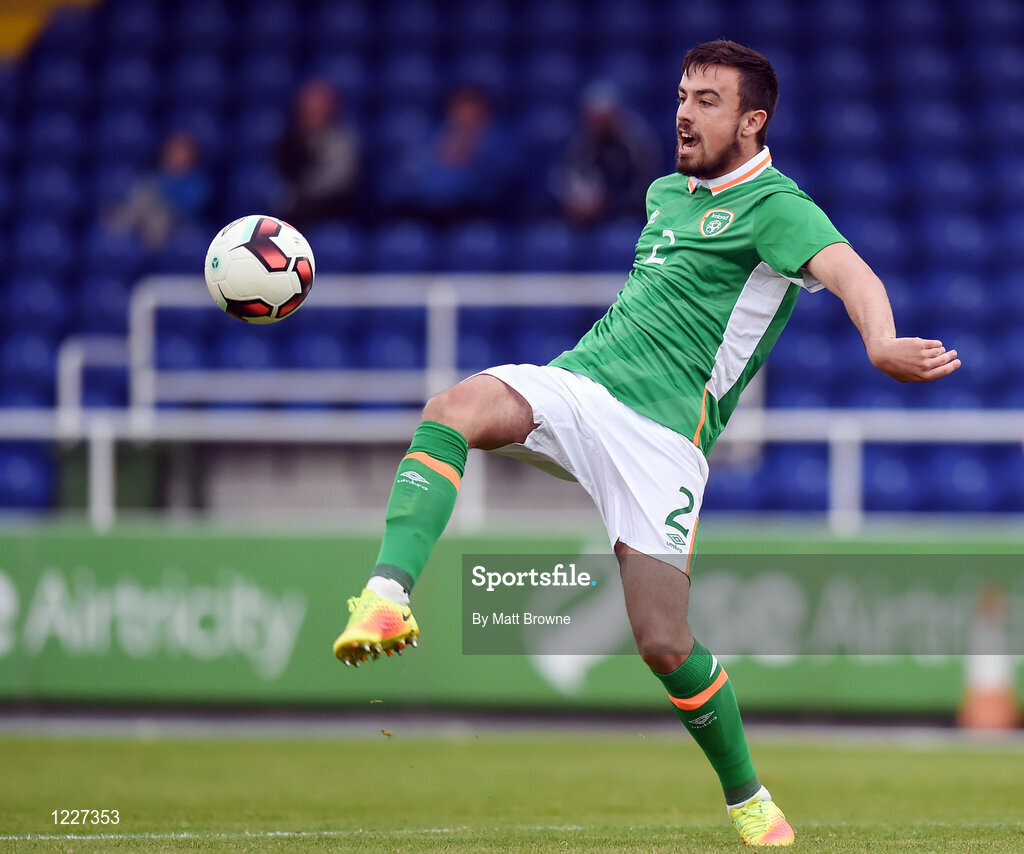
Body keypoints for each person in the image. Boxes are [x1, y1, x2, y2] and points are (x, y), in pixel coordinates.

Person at [332, 41, 961, 847]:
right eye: (681, 95)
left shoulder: (777, 205)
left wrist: (881, 341)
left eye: (706, 99)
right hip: (582, 386)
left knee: (663, 644)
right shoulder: (666, 191)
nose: (684, 112)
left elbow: (851, 272)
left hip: (663, 441)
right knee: (451, 407)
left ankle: (748, 799)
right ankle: (386, 597)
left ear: (752, 119)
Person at [553, 81, 661, 224]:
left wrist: (611, 200)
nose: (599, 123)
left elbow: (647, 182)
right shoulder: (583, 144)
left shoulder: (636, 141)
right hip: (590, 213)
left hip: (631, 211)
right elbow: (570, 177)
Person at [407, 85, 512, 224]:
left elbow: (495, 181)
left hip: (476, 210)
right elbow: (415, 173)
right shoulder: (434, 136)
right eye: (460, 109)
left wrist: (468, 151)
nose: (465, 116)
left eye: (472, 110)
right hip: (428, 210)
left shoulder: (497, 140)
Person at [275, 78, 361, 228]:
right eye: (308, 105)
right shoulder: (289, 141)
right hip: (294, 210)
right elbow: (280, 176)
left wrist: (302, 194)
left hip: (330, 211)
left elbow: (336, 182)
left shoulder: (341, 142)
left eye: (317, 106)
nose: (311, 110)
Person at [107, 130, 210, 249]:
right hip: (148, 215)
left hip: (178, 223)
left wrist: (166, 194)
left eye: (181, 153)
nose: (177, 157)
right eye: (173, 153)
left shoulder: (198, 181)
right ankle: (121, 229)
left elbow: (189, 207)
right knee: (145, 194)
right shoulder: (160, 176)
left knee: (157, 219)